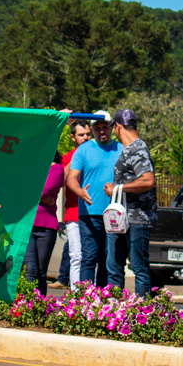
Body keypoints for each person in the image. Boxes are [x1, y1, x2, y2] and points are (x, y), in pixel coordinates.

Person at [65, 111, 122, 288]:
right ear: (92, 129)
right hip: (89, 213)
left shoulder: (121, 149)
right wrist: (80, 192)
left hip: (114, 213)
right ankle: (86, 300)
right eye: (97, 128)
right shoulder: (83, 150)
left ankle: (104, 298)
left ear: (112, 127)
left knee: (109, 258)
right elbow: (71, 178)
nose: (101, 131)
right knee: (89, 257)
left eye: (105, 127)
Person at [104, 109, 157, 297]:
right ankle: (114, 312)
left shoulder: (138, 148)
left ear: (117, 126)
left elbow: (148, 180)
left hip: (137, 218)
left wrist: (118, 189)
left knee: (139, 267)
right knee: (114, 267)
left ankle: (142, 313)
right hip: (121, 219)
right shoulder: (129, 149)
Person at [54, 120, 92, 289]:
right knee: (76, 255)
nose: (85, 138)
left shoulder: (97, 152)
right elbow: (60, 181)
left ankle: (94, 294)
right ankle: (77, 294)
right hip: (74, 212)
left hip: (95, 212)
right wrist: (77, 158)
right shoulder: (68, 157)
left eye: (88, 134)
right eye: (81, 135)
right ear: (73, 137)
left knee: (93, 255)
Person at [25, 151, 65, 295]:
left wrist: (31, 194)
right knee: (30, 269)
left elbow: (44, 191)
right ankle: (26, 306)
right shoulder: (29, 165)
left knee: (41, 272)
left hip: (46, 226)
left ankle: (39, 307)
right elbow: (16, 187)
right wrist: (40, 198)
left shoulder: (57, 169)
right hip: (27, 225)